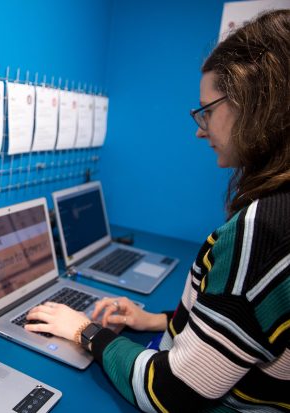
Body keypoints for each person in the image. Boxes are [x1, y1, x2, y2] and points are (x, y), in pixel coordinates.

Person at [25, 9, 290, 412]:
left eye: (208, 110)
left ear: (254, 105)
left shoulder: (264, 228)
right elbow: (245, 331)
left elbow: (170, 393)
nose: (200, 129)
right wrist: (154, 320)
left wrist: (86, 331)